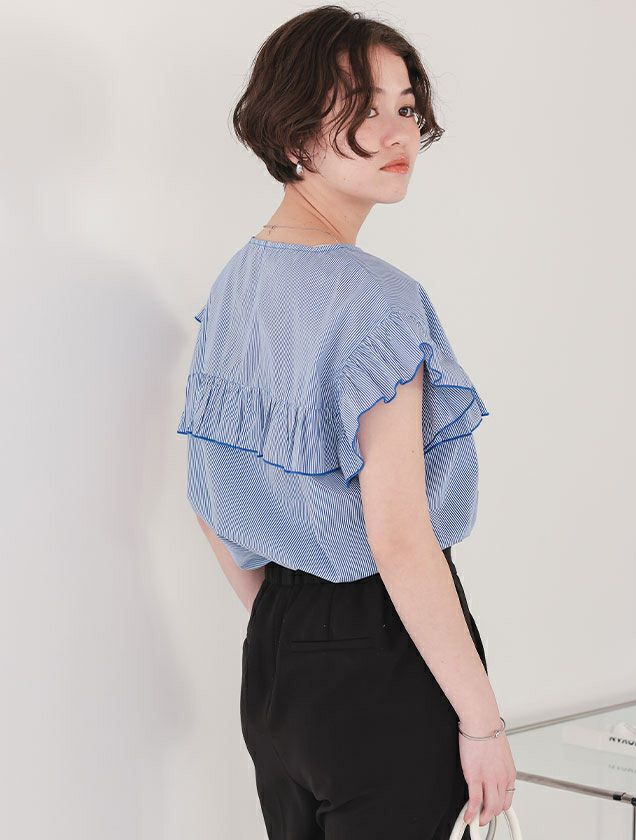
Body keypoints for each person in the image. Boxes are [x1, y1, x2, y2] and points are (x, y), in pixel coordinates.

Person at [177, 5, 517, 838]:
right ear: (293, 128)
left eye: (406, 106)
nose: (398, 132)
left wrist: (289, 628)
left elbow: (207, 494)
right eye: (363, 108)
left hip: (278, 660)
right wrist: (483, 724)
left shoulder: (237, 283)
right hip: (383, 655)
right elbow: (399, 538)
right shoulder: (378, 301)